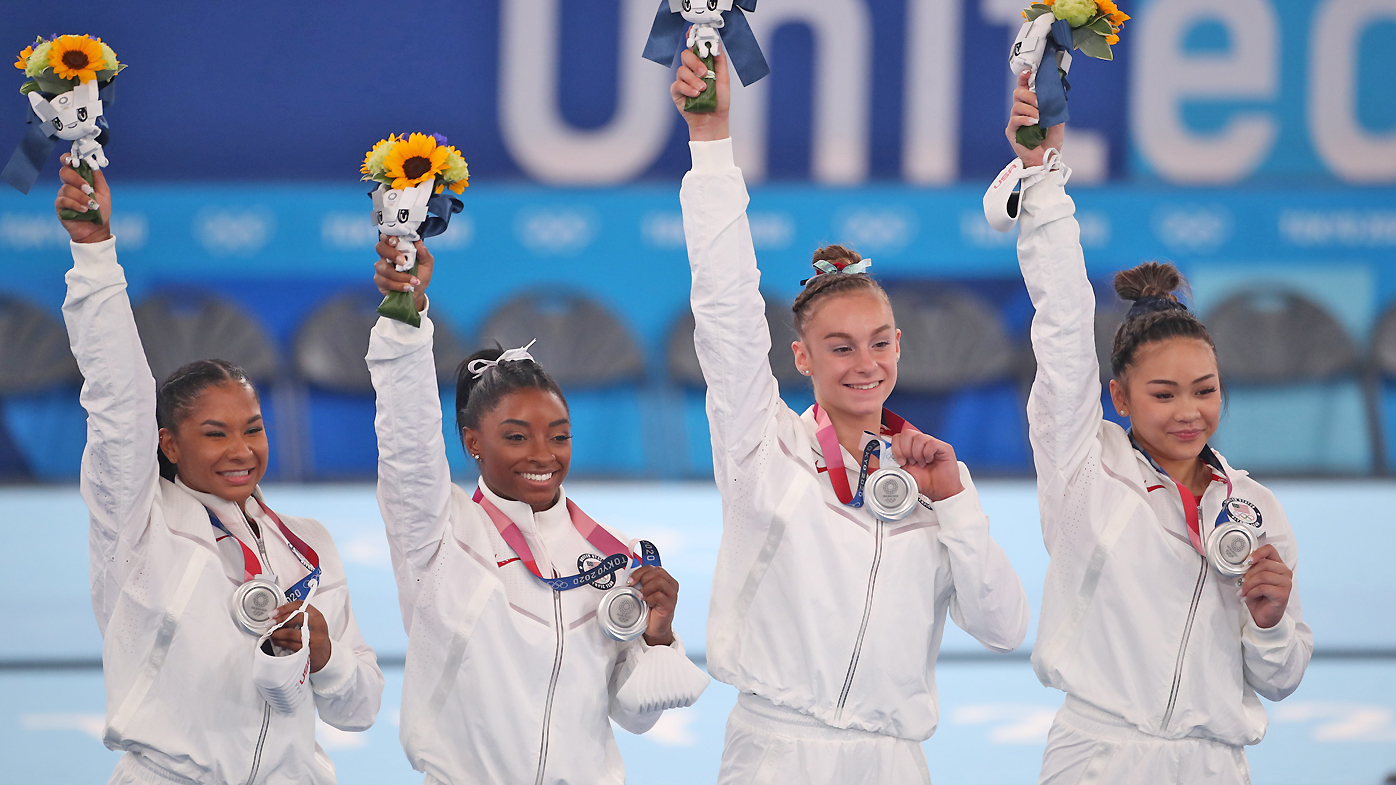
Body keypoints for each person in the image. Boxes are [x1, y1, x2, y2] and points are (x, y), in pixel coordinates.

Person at [670, 48, 1030, 784]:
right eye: (839, 347)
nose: (863, 363)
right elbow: (726, 308)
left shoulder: (931, 473)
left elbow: (1004, 627)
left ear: (899, 346)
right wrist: (711, 144)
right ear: (801, 357)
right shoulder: (761, 444)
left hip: (892, 760)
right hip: (776, 750)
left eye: (876, 343)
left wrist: (954, 502)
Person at [1002, 73, 1311, 784]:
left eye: (1204, 390)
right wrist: (1041, 180)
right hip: (1097, 758)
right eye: (1164, 392)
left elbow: (1283, 675)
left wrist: (1270, 622)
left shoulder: (1255, 508)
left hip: (1214, 764)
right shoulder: (1082, 465)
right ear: (1118, 396)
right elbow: (1061, 329)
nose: (1188, 410)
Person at [54, 155, 384, 785]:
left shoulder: (310, 545)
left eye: (253, 429)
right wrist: (95, 253)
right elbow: (117, 400)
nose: (241, 449)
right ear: (169, 446)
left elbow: (362, 708)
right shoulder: (137, 524)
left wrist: (324, 656)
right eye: (215, 433)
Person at [367, 236, 708, 784]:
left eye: (558, 435)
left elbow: (635, 716)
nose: (542, 455)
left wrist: (659, 637)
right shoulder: (438, 534)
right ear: (473, 441)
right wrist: (405, 315)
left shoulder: (614, 557)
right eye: (517, 436)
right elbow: (406, 436)